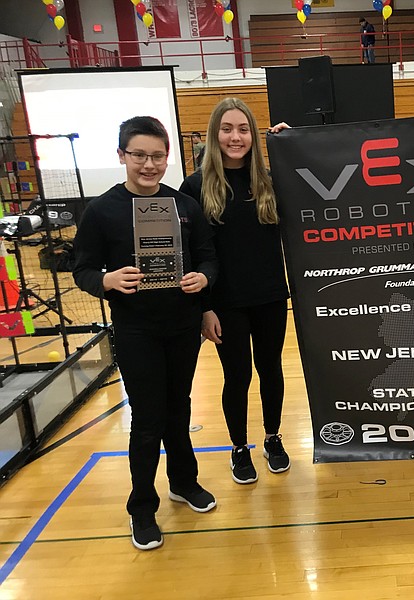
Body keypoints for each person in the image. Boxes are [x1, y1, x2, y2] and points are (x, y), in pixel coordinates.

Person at [73, 116, 218, 551]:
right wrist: (106, 281)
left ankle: (184, 482)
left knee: (180, 407)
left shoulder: (184, 207)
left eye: (157, 156)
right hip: (136, 329)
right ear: (122, 156)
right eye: (139, 155)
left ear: (167, 157)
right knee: (148, 416)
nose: (149, 165)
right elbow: (81, 267)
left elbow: (209, 258)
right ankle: (142, 507)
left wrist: (203, 282)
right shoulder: (101, 210)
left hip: (183, 326)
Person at [180, 98, 291, 485]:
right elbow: (189, 253)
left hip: (271, 294)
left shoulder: (271, 180)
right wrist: (202, 309)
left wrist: (292, 147)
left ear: (253, 136)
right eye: (227, 129)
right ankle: (239, 447)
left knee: (271, 369)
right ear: (215, 135)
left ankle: (272, 438)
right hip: (225, 302)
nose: (235, 137)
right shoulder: (194, 186)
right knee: (237, 375)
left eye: (243, 129)